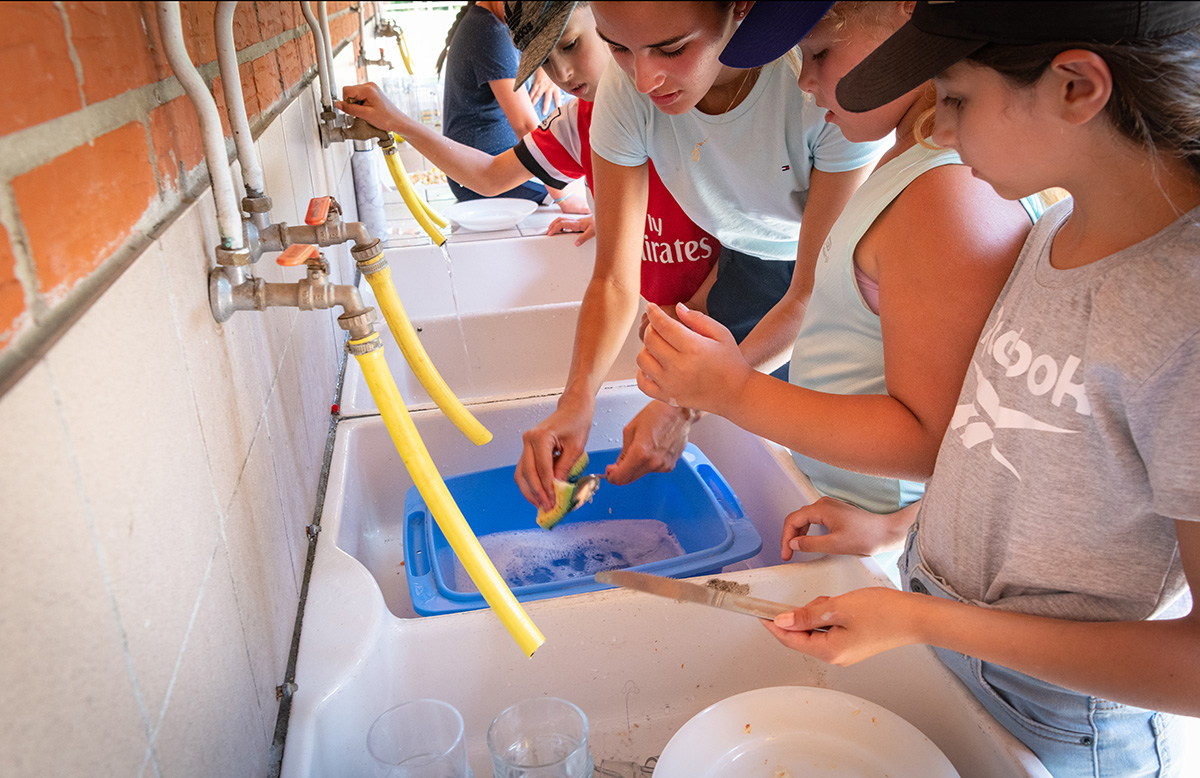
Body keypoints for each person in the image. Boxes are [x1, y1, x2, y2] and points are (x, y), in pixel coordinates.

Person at [758, 3, 1200, 776]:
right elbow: (1033, 457)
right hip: (948, 633)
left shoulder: (1181, 312)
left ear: (1076, 88)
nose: (941, 131)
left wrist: (924, 617)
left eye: (957, 99)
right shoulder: (1055, 232)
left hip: (1066, 719)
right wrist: (900, 528)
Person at [635, 0, 1043, 522]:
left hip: (881, 510)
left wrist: (732, 390)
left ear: (909, 16)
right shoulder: (912, 163)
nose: (805, 81)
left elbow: (933, 439)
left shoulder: (944, 191)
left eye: (821, 51)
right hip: (853, 507)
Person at [515, 1, 886, 513]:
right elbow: (615, 280)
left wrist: (683, 406)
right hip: (742, 252)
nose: (645, 79)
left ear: (740, 9)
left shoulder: (816, 81)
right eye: (618, 47)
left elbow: (808, 295)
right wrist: (576, 400)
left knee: (820, 460)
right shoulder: (626, 93)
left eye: (672, 48)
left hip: (831, 269)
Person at [338, 2, 721, 312]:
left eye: (571, 45)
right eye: (544, 62)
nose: (564, 73)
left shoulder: (693, 105)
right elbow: (490, 176)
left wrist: (695, 314)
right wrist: (397, 121)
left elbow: (754, 241)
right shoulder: (578, 121)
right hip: (669, 318)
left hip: (722, 319)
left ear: (608, 21)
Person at [435, 0, 582, 207]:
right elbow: (525, 125)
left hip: (486, 169)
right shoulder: (490, 33)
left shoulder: (492, 22)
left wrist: (543, 67)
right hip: (483, 175)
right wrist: (564, 197)